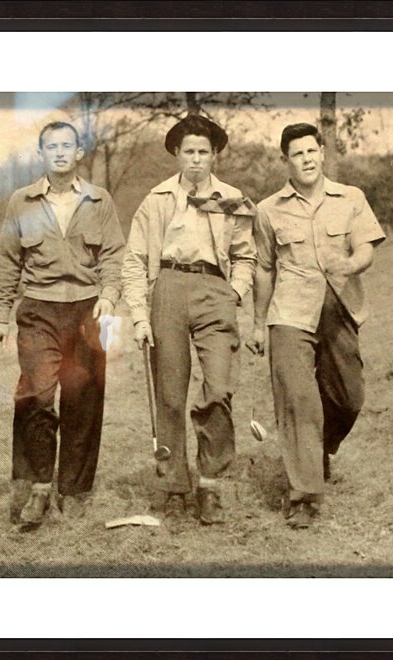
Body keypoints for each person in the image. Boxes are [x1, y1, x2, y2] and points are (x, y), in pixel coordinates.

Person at [247, 122, 386, 529]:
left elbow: (365, 247)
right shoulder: (268, 210)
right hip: (290, 312)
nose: (306, 159)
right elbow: (264, 270)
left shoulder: (350, 198)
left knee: (349, 398)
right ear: (284, 161)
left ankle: (319, 448)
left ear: (322, 152)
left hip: (340, 306)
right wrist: (258, 324)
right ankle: (304, 494)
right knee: (297, 402)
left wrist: (352, 263)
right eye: (297, 154)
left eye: (312, 151)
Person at [121, 114, 257, 525]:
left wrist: (233, 292)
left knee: (218, 388)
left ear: (214, 155)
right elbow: (134, 261)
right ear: (177, 155)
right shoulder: (157, 200)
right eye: (189, 152)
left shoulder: (233, 199)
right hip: (167, 289)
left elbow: (245, 256)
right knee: (170, 393)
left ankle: (211, 485)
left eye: (203, 152)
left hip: (214, 290)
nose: (196, 159)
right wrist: (141, 318)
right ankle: (174, 485)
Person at [0, 121, 125, 529]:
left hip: (88, 310)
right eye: (52, 146)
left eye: (68, 145)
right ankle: (36, 487)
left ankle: (74, 490)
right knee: (36, 393)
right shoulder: (22, 202)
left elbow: (114, 257)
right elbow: (8, 264)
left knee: (83, 401)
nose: (61, 152)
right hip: (39, 311)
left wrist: (109, 294)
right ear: (42, 153)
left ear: (80, 152)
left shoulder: (99, 201)